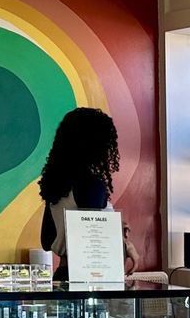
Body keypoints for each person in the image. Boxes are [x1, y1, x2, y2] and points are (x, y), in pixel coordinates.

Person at [37, 107, 139, 278]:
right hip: (90, 278)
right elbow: (94, 239)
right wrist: (126, 245)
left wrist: (114, 226)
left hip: (62, 274)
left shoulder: (58, 186)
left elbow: (47, 241)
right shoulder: (92, 185)